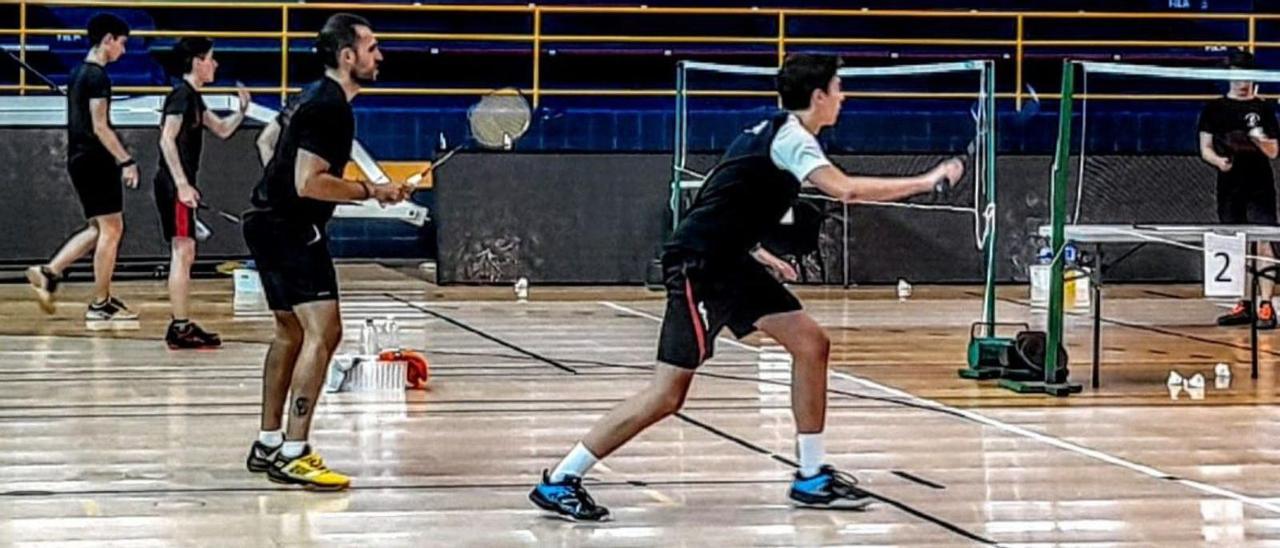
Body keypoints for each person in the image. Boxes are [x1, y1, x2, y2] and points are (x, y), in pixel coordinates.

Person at [529, 53, 964, 521]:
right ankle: (560, 480)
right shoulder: (792, 139)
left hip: (730, 260)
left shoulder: (765, 132)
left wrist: (757, 251)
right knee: (667, 394)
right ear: (818, 96)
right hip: (701, 265)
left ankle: (812, 476)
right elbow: (847, 191)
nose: (844, 95)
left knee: (811, 343)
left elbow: (724, 195)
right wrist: (926, 180)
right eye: (839, 86)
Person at [241, 13, 409, 491]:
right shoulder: (330, 106)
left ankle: (268, 442)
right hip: (292, 228)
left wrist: (286, 194)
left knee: (290, 333)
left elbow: (268, 140)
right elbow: (309, 182)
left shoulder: (309, 97)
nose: (380, 56)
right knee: (325, 333)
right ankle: (295, 451)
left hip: (265, 221)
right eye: (372, 47)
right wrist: (371, 191)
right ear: (347, 56)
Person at [26, 13, 139, 329]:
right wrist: (126, 160)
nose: (124, 51)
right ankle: (100, 304)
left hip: (78, 159)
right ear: (108, 40)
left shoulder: (77, 74)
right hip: (95, 160)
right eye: (122, 44)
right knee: (112, 230)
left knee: (98, 228)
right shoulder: (97, 77)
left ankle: (49, 272)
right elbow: (100, 126)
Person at [154, 37, 251, 348]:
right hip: (174, 185)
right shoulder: (181, 95)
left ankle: (182, 322)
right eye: (211, 58)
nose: (215, 64)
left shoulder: (194, 97)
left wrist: (242, 111)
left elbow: (221, 130)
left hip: (179, 184)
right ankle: (179, 327)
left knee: (187, 251)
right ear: (196, 61)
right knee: (182, 252)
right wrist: (182, 184)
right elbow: (167, 140)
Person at [1199, 50, 1280, 330]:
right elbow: (1205, 148)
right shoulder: (1214, 109)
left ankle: (1266, 305)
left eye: (1246, 74)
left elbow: (1273, 152)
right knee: (1235, 241)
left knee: (1264, 240)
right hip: (1230, 184)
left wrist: (1257, 137)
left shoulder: (1263, 109)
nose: (1241, 80)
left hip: (1259, 183)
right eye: (1236, 74)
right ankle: (1242, 303)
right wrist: (1219, 161)